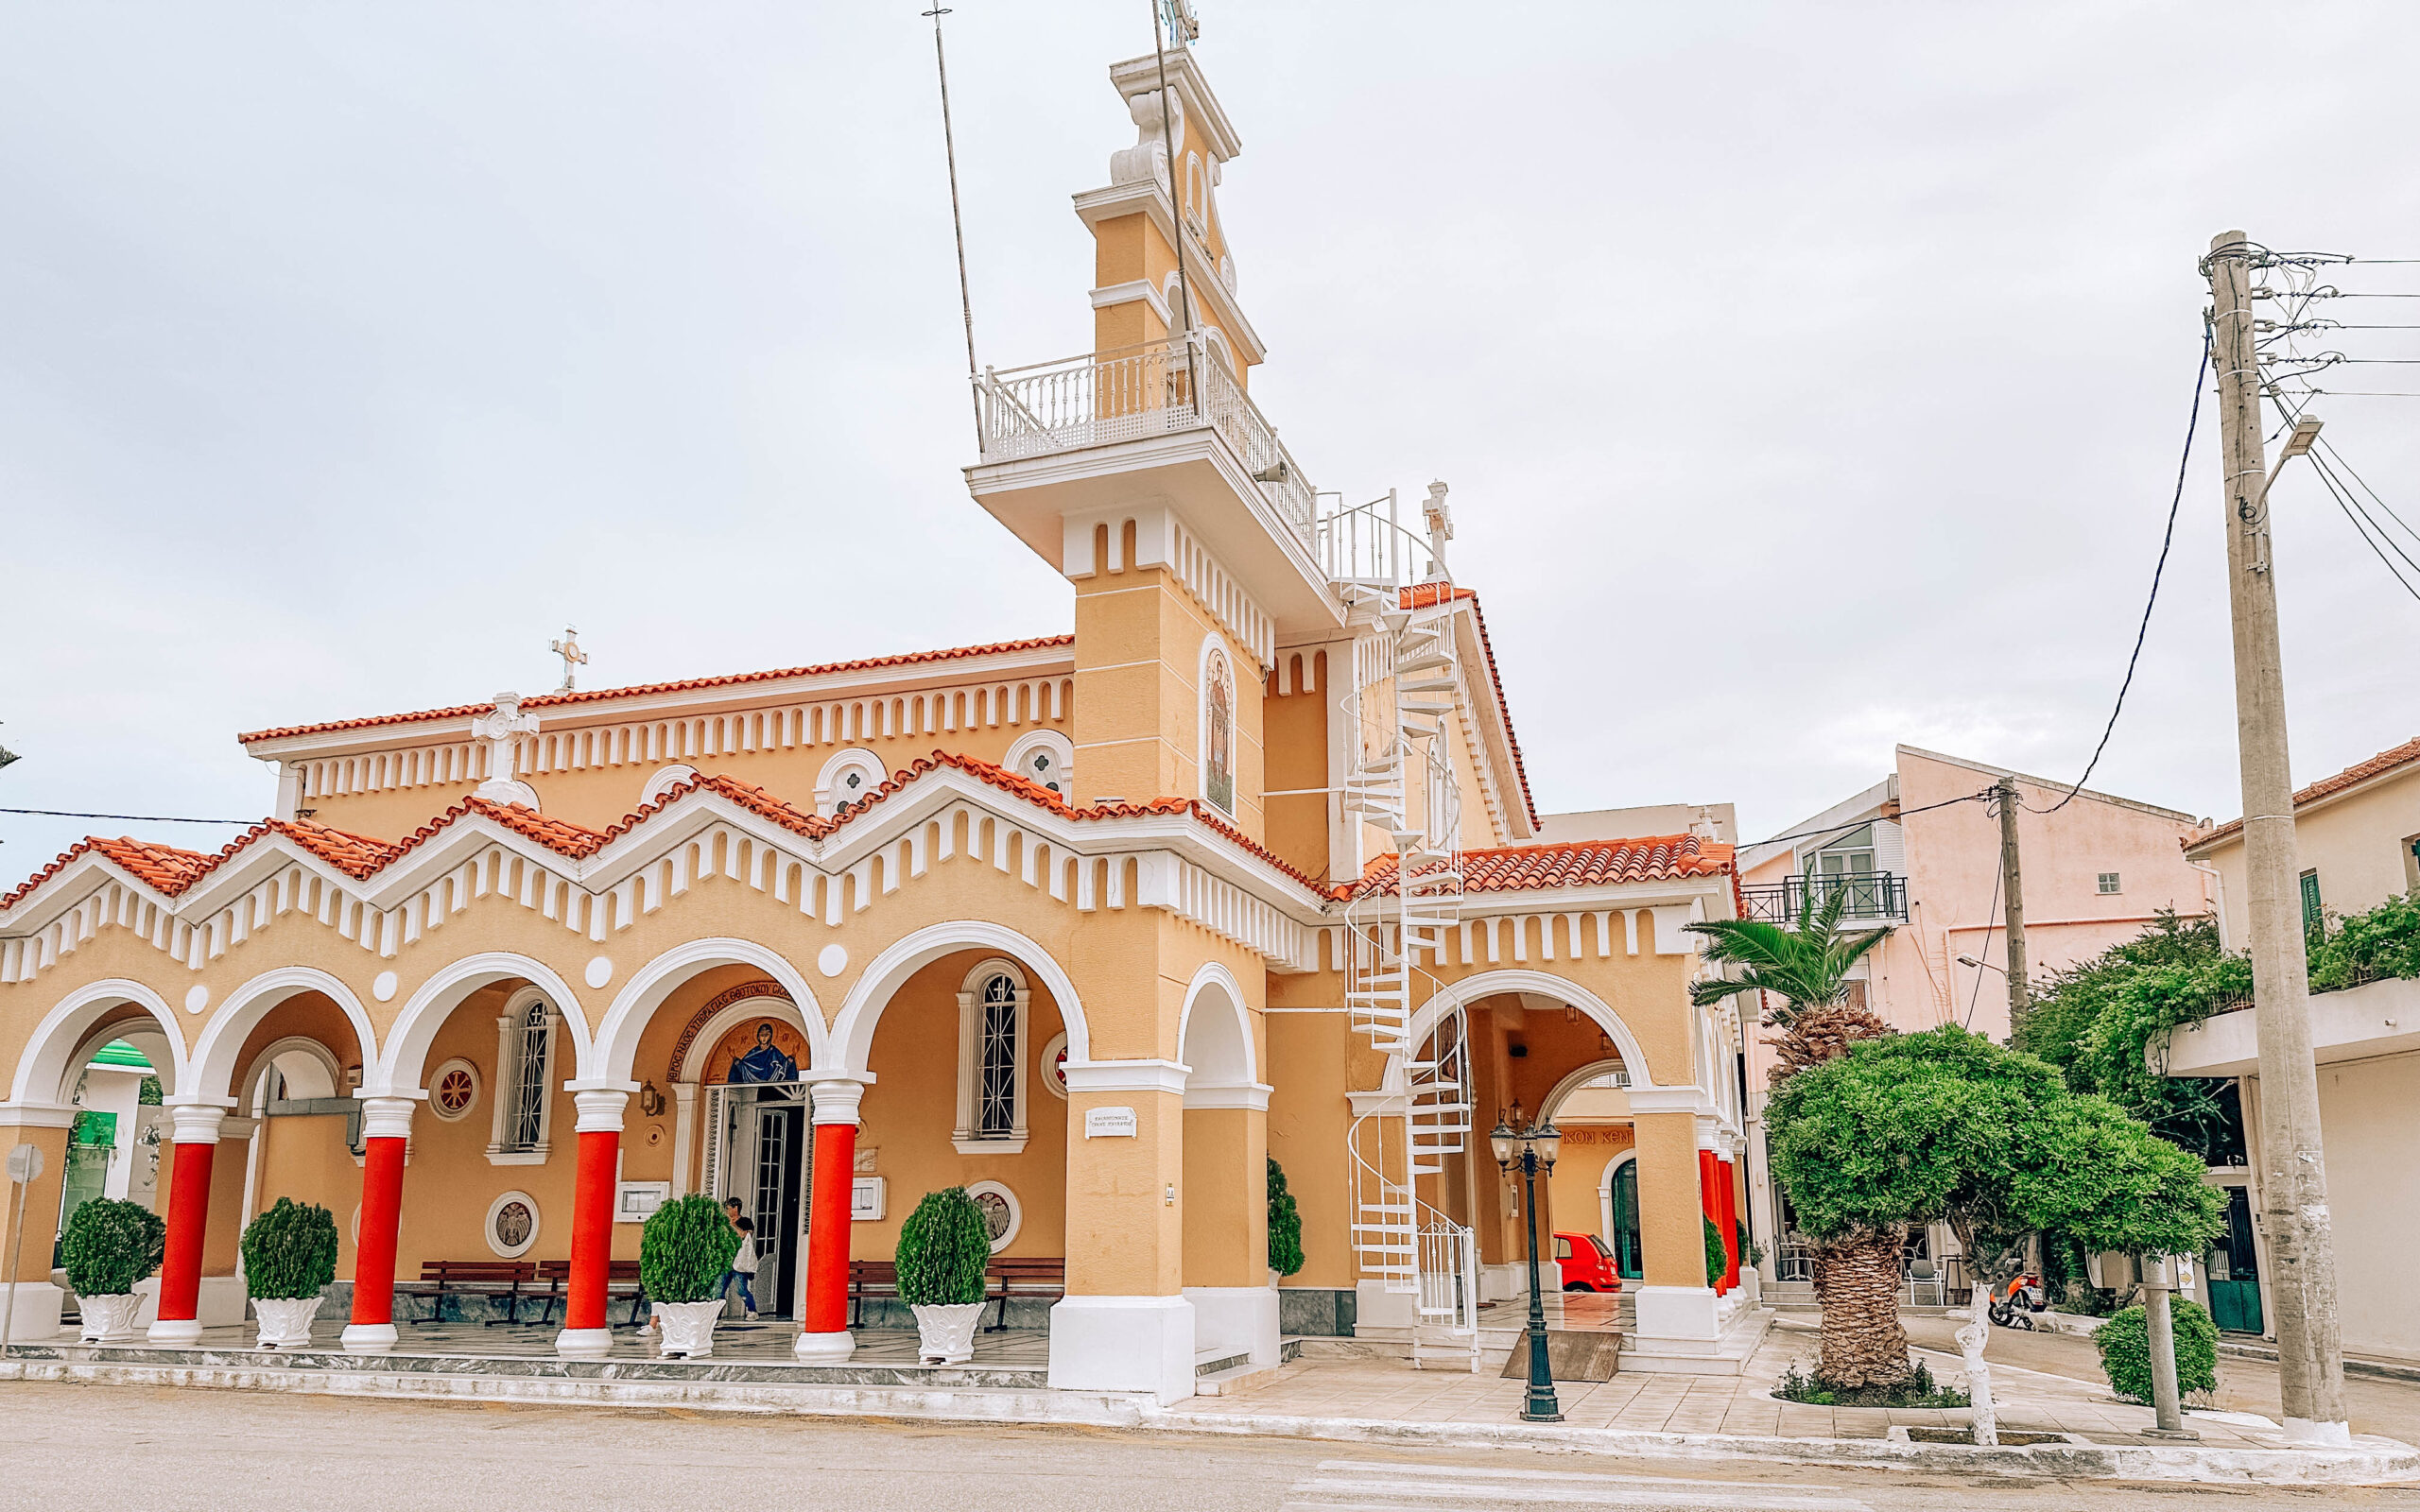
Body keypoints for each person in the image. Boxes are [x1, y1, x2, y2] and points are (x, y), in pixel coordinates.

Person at [726, 1215, 758, 1321]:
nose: (728, 1211)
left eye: (729, 1208)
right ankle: (716, 1316)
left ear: (735, 1208)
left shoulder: (746, 1221)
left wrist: (733, 1225)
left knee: (741, 1289)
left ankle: (752, 1310)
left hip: (740, 1262)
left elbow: (744, 1235)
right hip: (726, 1261)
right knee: (718, 1291)